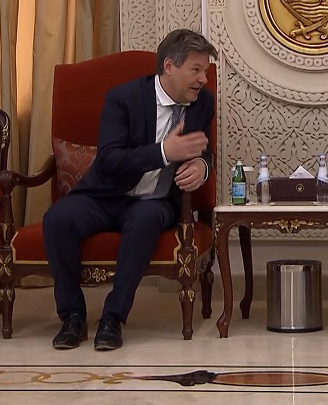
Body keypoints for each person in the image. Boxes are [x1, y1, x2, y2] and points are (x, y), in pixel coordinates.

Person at [43, 29, 218, 351]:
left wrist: (201, 166)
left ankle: (112, 319)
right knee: (57, 219)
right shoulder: (123, 98)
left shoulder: (202, 103)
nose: (203, 79)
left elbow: (205, 152)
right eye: (196, 69)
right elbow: (109, 160)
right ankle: (72, 317)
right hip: (104, 195)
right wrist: (163, 152)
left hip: (155, 201)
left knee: (145, 220)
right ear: (169, 66)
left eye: (205, 71)